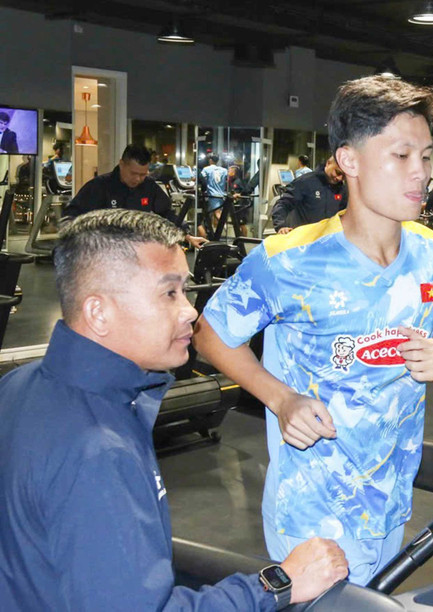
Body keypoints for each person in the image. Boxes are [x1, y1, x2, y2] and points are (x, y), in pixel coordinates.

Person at [192, 75, 433, 584]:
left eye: (427, 156)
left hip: (393, 498)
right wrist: (281, 400)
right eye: (400, 156)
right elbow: (210, 333)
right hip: (311, 512)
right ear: (349, 161)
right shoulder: (290, 259)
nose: (421, 173)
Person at [0, 209, 348, 610]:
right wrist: (278, 583)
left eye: (184, 291)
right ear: (99, 313)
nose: (190, 311)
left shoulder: (20, 386)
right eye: (169, 293)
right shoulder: (98, 452)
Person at [62, 144, 206, 249]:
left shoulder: (149, 186)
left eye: (143, 174)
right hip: (104, 253)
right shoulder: (99, 186)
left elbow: (167, 213)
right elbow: (71, 217)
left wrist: (187, 236)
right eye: (133, 173)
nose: (137, 179)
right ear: (121, 164)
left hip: (135, 251)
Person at [271, 156, 347, 233]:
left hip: (326, 240)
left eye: (344, 176)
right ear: (328, 163)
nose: (339, 178)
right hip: (303, 239)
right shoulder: (305, 182)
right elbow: (283, 204)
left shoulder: (342, 190)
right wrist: (281, 226)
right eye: (338, 172)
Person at [200, 153, 229, 231]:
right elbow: (228, 179)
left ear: (210, 160)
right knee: (215, 213)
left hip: (213, 195)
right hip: (222, 195)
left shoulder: (206, 169)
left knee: (216, 213)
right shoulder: (224, 170)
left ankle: (224, 226)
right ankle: (216, 233)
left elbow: (201, 178)